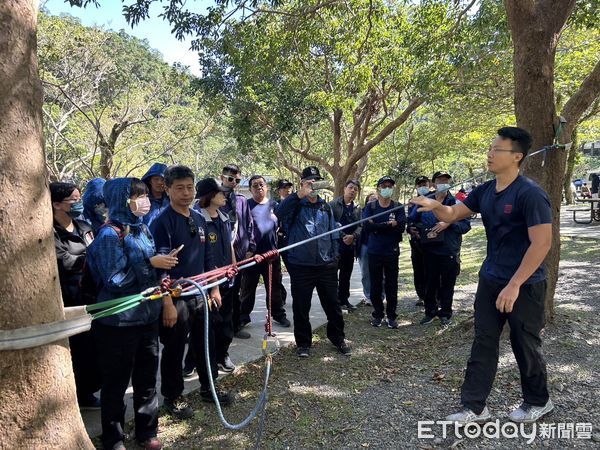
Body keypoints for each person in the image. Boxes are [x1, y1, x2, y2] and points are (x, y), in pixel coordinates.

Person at [411, 126, 553, 425]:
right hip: (491, 278)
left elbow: (542, 243)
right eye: (490, 148)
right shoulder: (486, 190)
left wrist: (515, 284)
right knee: (484, 340)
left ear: (516, 156)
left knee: (524, 342)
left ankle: (538, 400)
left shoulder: (530, 194)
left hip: (524, 283)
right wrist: (435, 205)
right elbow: (452, 215)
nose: (489, 153)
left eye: (496, 150)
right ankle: (474, 406)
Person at [87, 177, 178, 450]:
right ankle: (113, 437)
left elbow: (150, 276)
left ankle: (147, 432)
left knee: (147, 378)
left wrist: (161, 268)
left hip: (147, 318)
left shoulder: (142, 229)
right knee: (115, 383)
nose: (144, 201)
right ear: (119, 200)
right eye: (136, 196)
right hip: (118, 322)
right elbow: (115, 280)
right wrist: (149, 262)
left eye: (145, 195)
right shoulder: (108, 235)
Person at [150, 166, 230, 419]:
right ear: (168, 189)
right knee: (174, 349)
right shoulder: (162, 222)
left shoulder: (198, 218)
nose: (186, 193)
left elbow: (208, 257)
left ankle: (210, 386)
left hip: (202, 294)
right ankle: (173, 397)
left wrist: (214, 287)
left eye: (189, 187)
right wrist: (167, 303)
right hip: (176, 299)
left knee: (206, 343)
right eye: (179, 188)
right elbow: (161, 267)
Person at [276, 166, 351, 358]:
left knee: (333, 305)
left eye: (316, 181)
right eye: (309, 181)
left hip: (326, 265)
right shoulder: (294, 205)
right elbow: (279, 212)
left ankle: (338, 338)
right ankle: (303, 343)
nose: (312, 185)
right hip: (301, 266)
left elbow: (333, 232)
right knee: (301, 306)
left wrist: (335, 257)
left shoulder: (325, 206)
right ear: (302, 183)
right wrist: (298, 195)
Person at [50, 181, 100, 409]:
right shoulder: (51, 232)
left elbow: (98, 250)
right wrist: (91, 260)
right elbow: (65, 262)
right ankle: (79, 394)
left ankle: (89, 390)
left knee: (92, 347)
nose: (78, 203)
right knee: (76, 348)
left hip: (92, 295)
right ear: (57, 204)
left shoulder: (84, 226)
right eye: (73, 199)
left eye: (79, 198)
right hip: (69, 298)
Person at [194, 176, 240, 383]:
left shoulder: (224, 218)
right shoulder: (197, 219)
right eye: (221, 193)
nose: (224, 195)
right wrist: (212, 284)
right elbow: (202, 253)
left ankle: (223, 355)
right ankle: (197, 361)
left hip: (226, 278)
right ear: (210, 196)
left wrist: (234, 265)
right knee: (208, 324)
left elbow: (229, 244)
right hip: (209, 282)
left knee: (226, 321)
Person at [413, 171, 471, 326]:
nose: (443, 183)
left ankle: (445, 313)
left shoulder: (456, 203)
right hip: (429, 250)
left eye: (446, 181)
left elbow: (466, 225)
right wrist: (420, 231)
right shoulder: (426, 201)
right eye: (440, 181)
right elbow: (414, 221)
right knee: (430, 283)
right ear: (433, 184)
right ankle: (430, 312)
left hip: (449, 250)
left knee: (447, 283)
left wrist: (449, 222)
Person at [239, 175, 290, 328]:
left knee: (274, 288)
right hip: (252, 257)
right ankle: (243, 317)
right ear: (250, 189)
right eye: (255, 185)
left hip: (271, 256)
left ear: (266, 187)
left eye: (261, 184)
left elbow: (283, 226)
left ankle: (278, 314)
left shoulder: (275, 205)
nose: (259, 187)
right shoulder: (246, 206)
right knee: (247, 288)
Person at [362, 176, 406, 328]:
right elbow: (367, 227)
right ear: (378, 188)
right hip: (374, 251)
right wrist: (389, 225)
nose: (387, 188)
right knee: (375, 284)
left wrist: (378, 226)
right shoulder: (371, 207)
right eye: (384, 185)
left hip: (391, 252)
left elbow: (401, 227)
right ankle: (378, 314)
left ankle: (392, 316)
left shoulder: (398, 206)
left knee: (391, 285)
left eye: (389, 186)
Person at [219, 164, 256, 339]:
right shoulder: (215, 198)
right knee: (220, 292)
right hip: (220, 256)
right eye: (231, 179)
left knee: (236, 291)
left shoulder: (241, 200)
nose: (234, 183)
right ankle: (218, 328)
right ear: (222, 178)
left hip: (240, 255)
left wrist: (251, 247)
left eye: (238, 180)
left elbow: (249, 225)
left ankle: (235, 325)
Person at [329, 179, 362, 312]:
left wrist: (353, 236)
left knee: (346, 275)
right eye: (350, 187)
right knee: (332, 276)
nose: (353, 191)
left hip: (350, 246)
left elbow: (361, 225)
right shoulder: (333, 204)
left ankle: (344, 300)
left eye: (355, 189)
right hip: (336, 246)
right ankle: (333, 301)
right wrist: (343, 236)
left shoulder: (358, 207)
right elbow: (331, 223)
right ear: (345, 188)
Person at [407, 176, 430, 306]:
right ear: (416, 187)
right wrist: (411, 229)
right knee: (418, 270)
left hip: (431, 241)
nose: (422, 186)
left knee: (431, 270)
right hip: (416, 243)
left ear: (429, 184)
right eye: (419, 184)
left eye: (424, 184)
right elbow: (409, 221)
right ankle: (421, 295)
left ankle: (433, 296)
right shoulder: (413, 202)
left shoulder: (433, 198)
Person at [357, 193, 378, 306]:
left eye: (375, 199)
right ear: (366, 202)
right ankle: (368, 296)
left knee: (380, 272)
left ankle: (380, 295)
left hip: (379, 245)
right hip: (365, 245)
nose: (373, 202)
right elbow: (361, 227)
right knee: (366, 272)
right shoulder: (362, 212)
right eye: (371, 200)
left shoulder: (382, 211)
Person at [141, 162, 170, 227]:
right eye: (156, 179)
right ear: (150, 181)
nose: (159, 182)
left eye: (162, 179)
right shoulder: (142, 201)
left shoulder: (171, 201)